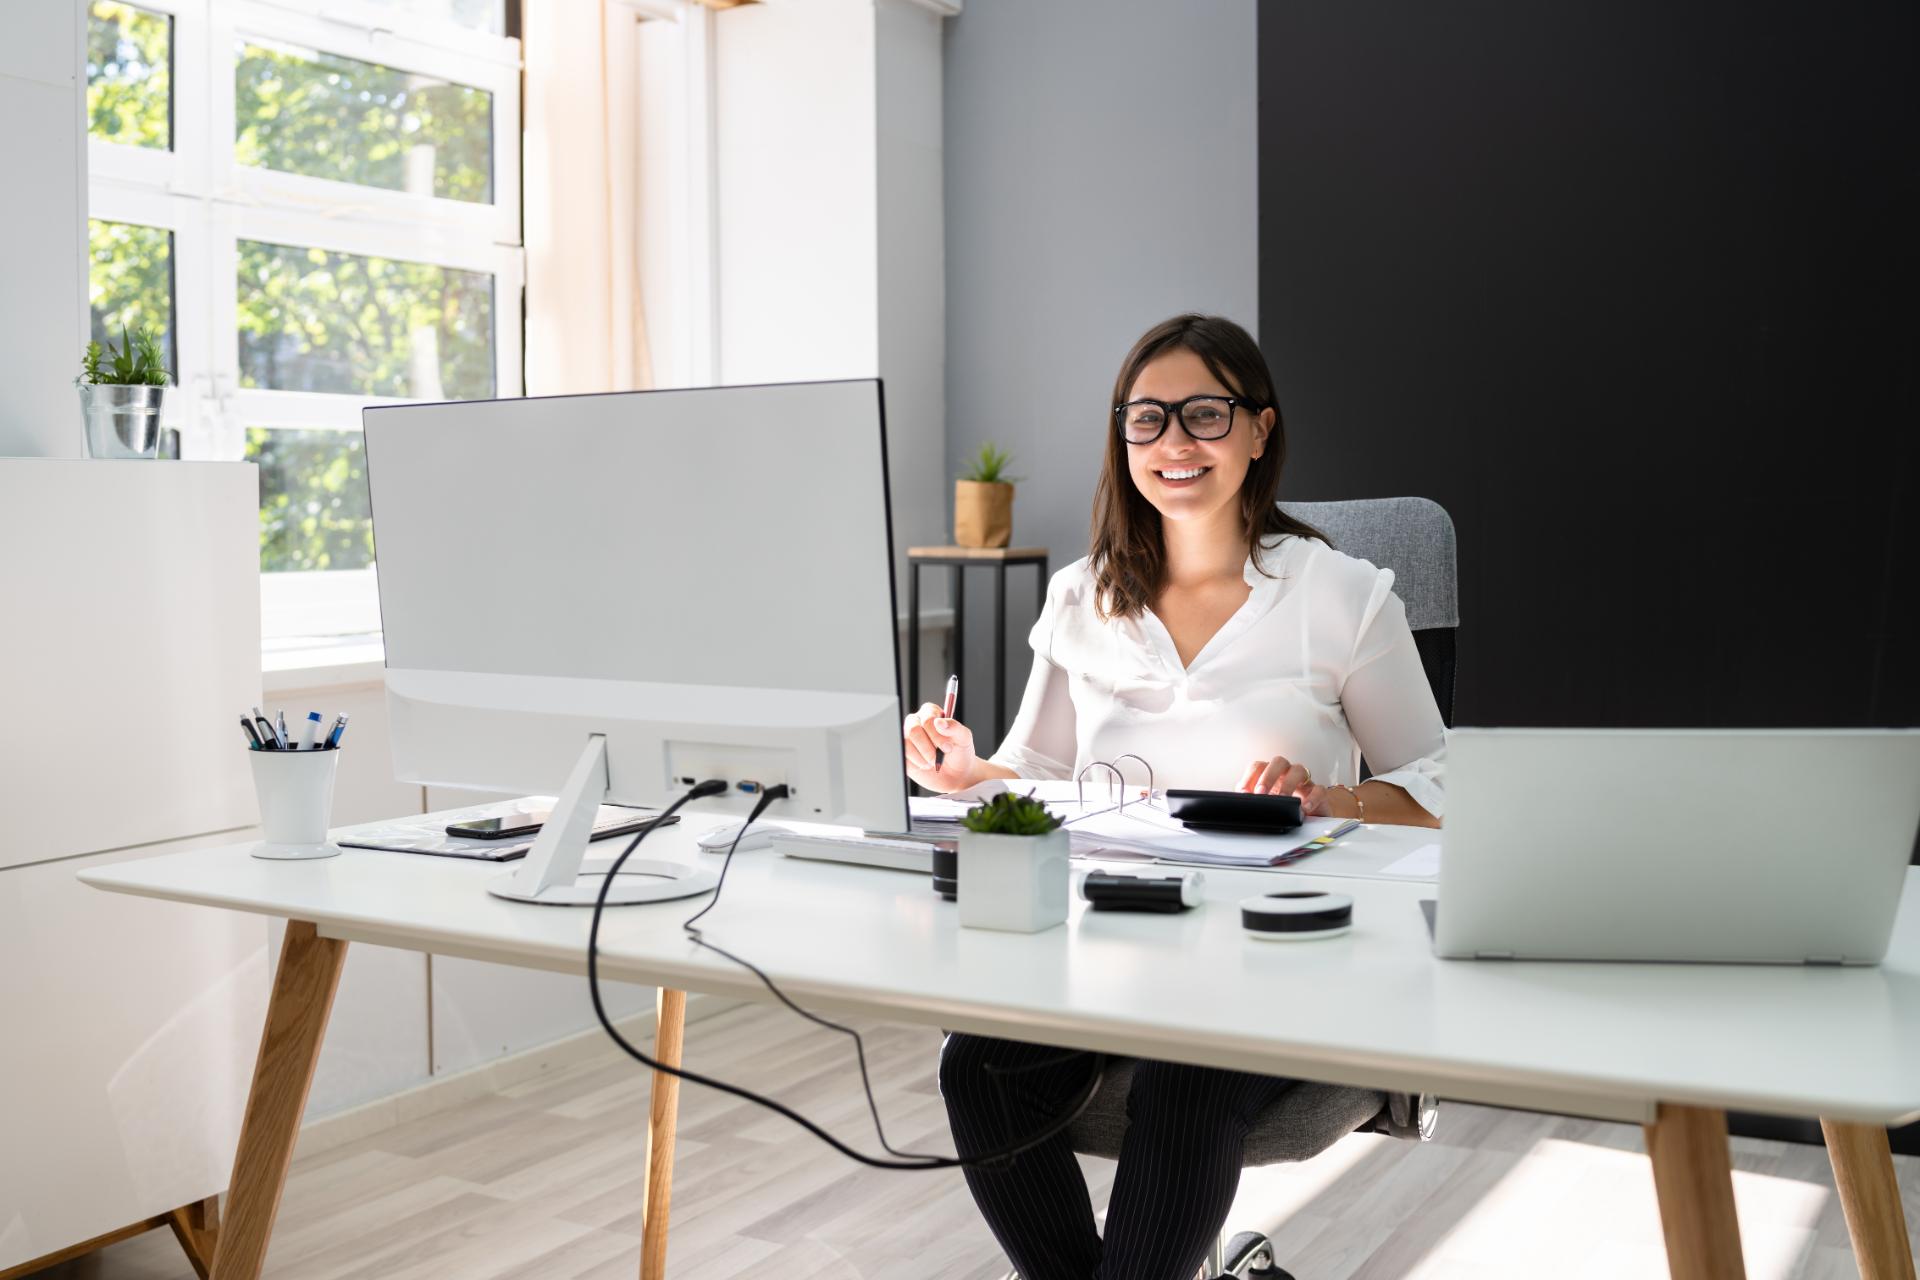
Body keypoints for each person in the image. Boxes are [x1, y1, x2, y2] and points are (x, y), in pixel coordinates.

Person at [902, 314, 1446, 1279]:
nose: (1173, 443)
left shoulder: (1341, 595)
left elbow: (1443, 786)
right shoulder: (1083, 596)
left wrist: (1331, 798)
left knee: (1189, 1071)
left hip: (1271, 958)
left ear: (1258, 430)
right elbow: (1041, 777)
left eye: (1204, 414)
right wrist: (966, 772)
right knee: (975, 1065)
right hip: (1101, 946)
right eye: (1145, 420)